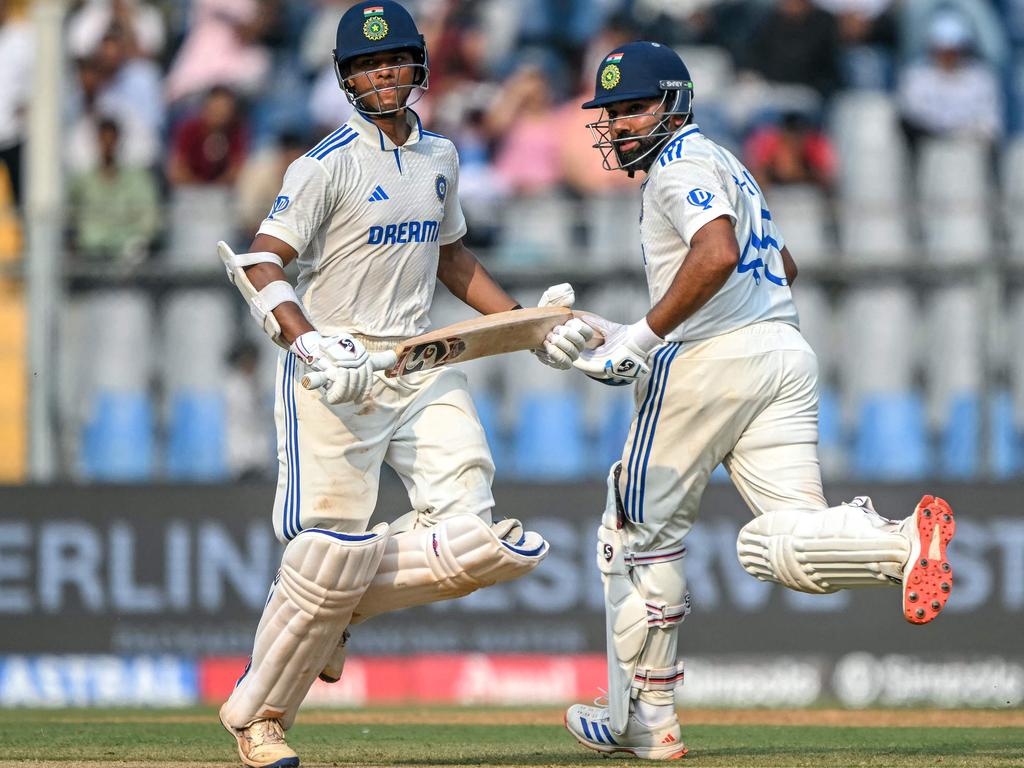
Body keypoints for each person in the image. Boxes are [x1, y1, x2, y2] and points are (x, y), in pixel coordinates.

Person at [216, 3, 592, 767]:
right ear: (345, 77)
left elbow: (454, 263)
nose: (381, 75)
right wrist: (311, 341)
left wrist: (528, 326)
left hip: (420, 362)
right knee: (329, 552)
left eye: (392, 62)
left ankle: (333, 610)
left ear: (418, 68)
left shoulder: (442, 157)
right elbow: (261, 262)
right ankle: (259, 720)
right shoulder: (323, 164)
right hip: (337, 374)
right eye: (365, 65)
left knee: (475, 540)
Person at [560, 41, 956, 760]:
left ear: (674, 103)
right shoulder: (727, 162)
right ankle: (903, 543)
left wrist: (642, 339)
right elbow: (783, 263)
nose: (618, 125)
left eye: (633, 108)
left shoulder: (677, 169)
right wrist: (634, 327)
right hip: (782, 351)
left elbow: (714, 254)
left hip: (708, 365)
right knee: (778, 539)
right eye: (611, 112)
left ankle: (647, 718)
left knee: (632, 533)